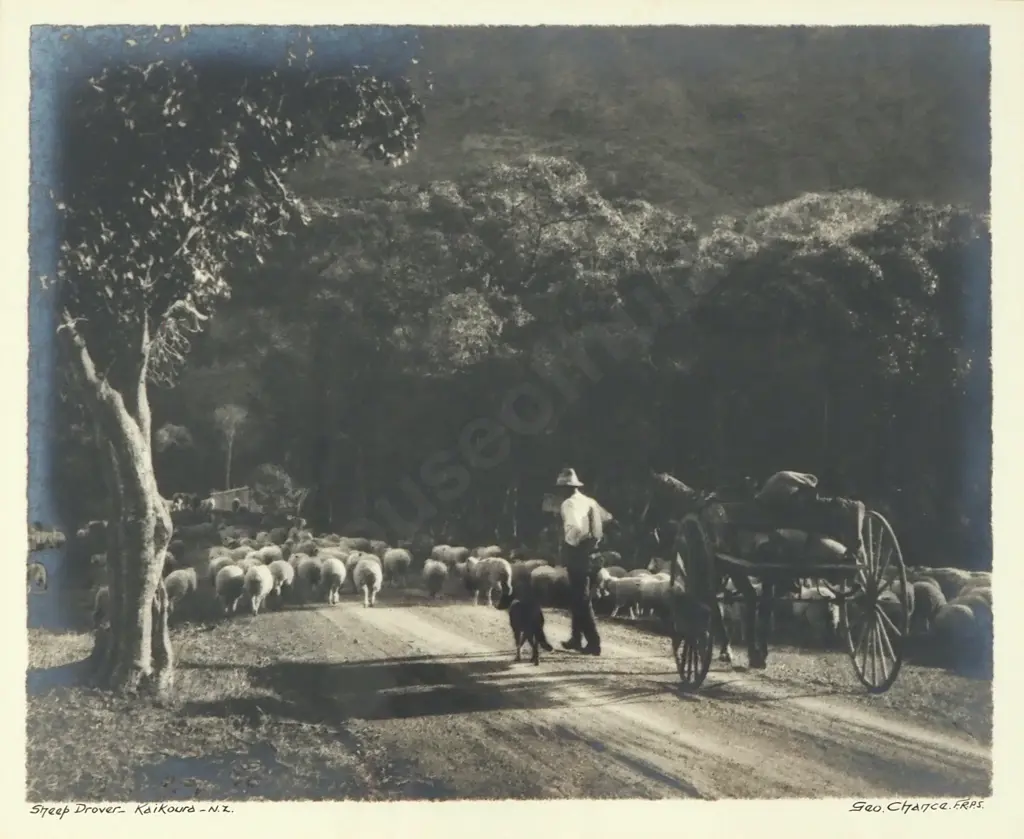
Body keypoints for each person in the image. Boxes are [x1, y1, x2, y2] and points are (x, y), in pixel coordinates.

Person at [555, 467, 603, 656]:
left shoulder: (568, 504)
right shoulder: (590, 501)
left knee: (581, 599)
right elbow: (601, 526)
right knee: (579, 596)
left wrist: (570, 546)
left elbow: (574, 527)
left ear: (566, 488)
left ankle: (594, 642)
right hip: (593, 554)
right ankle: (576, 638)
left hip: (578, 554)